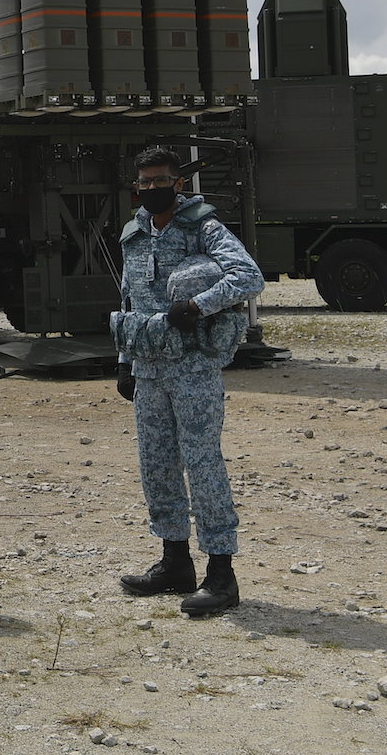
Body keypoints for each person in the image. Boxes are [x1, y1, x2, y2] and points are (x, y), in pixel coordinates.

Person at [112, 147, 264, 617]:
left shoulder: (204, 227)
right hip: (149, 367)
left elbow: (249, 277)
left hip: (193, 367)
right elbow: (129, 298)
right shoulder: (135, 233)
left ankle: (221, 574)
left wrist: (198, 306)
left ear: (179, 184)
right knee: (156, 466)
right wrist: (124, 361)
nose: (152, 188)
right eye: (145, 182)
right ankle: (174, 562)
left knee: (202, 465)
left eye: (161, 180)